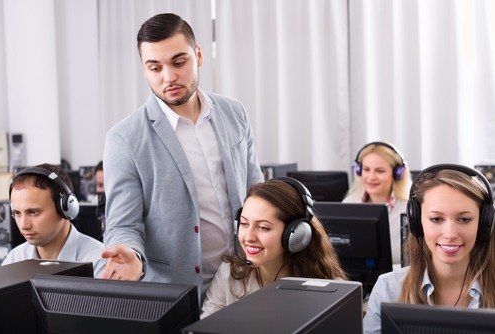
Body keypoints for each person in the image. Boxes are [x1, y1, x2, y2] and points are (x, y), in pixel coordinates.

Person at [101, 13, 263, 297]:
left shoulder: (234, 112)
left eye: (179, 63)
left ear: (198, 55)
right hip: (178, 293)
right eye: (155, 68)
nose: (169, 77)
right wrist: (131, 256)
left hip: (245, 279)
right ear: (144, 70)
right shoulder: (124, 139)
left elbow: (257, 192)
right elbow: (123, 225)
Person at [363, 164, 495, 333]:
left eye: (464, 219)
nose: (450, 234)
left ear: (485, 224)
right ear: (417, 222)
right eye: (436, 219)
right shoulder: (389, 289)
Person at [200, 177, 347, 318]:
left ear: (296, 233)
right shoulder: (229, 274)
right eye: (244, 224)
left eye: (263, 227)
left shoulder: (330, 289)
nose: (249, 237)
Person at [2, 164, 105, 277]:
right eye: (17, 213)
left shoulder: (100, 262)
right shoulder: (14, 260)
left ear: (66, 208)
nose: (23, 225)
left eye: (33, 212)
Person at [344, 141, 413, 266]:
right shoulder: (348, 204)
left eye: (380, 171)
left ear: (398, 174)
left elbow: (414, 263)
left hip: (396, 281)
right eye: (366, 169)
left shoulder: (409, 208)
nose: (371, 177)